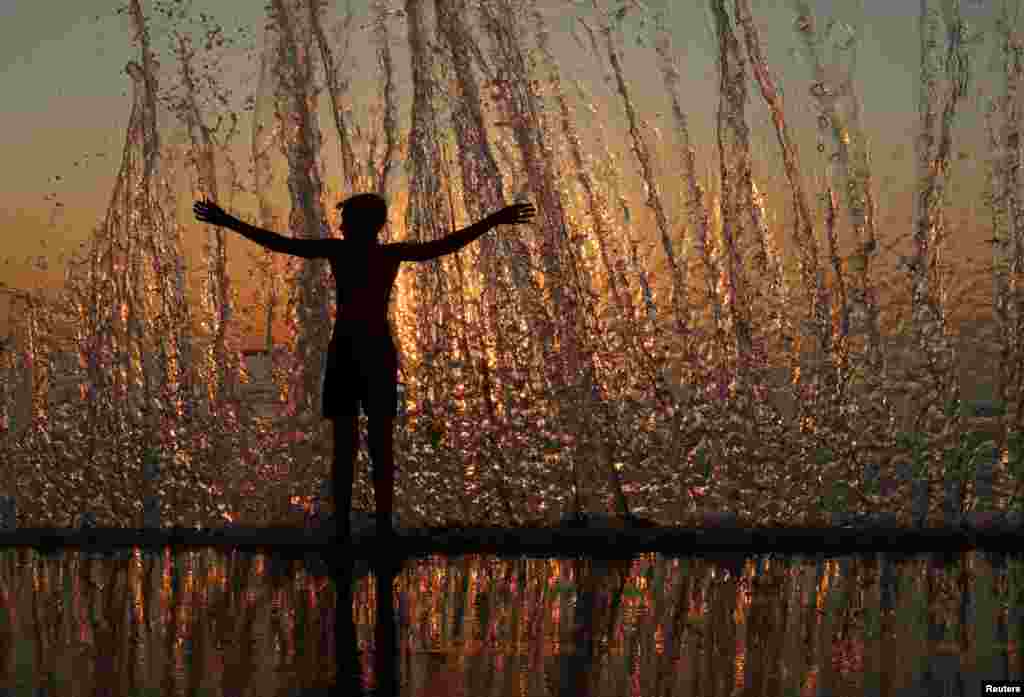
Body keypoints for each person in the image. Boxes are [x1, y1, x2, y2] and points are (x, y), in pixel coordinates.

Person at [193, 193, 536, 541]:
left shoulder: (341, 251)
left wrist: (229, 222)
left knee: (347, 448)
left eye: (345, 221)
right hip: (375, 352)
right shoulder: (387, 254)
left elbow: (282, 244)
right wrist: (493, 220)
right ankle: (381, 526)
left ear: (358, 224)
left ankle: (344, 528)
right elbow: (444, 245)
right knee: (379, 445)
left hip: (348, 352)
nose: (340, 226)